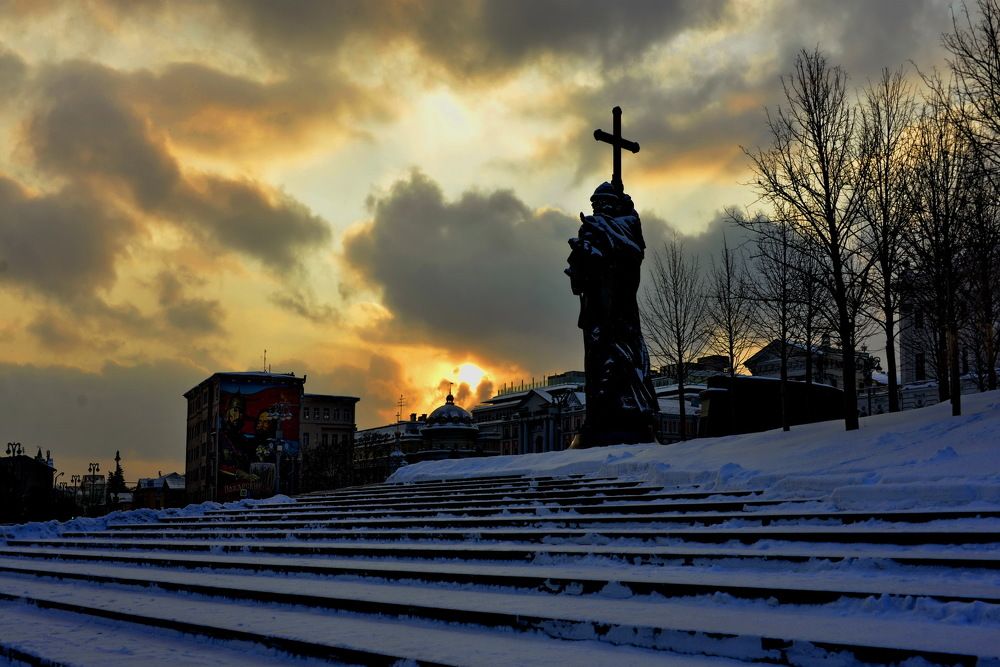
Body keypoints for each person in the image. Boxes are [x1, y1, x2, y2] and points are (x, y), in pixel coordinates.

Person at [566, 181, 658, 446]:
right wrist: (581, 257)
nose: (600, 208)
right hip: (597, 304)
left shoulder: (625, 225)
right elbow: (579, 272)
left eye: (605, 203)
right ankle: (601, 410)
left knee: (622, 351)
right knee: (598, 355)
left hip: (619, 303)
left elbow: (632, 254)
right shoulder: (591, 228)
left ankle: (626, 408)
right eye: (597, 204)